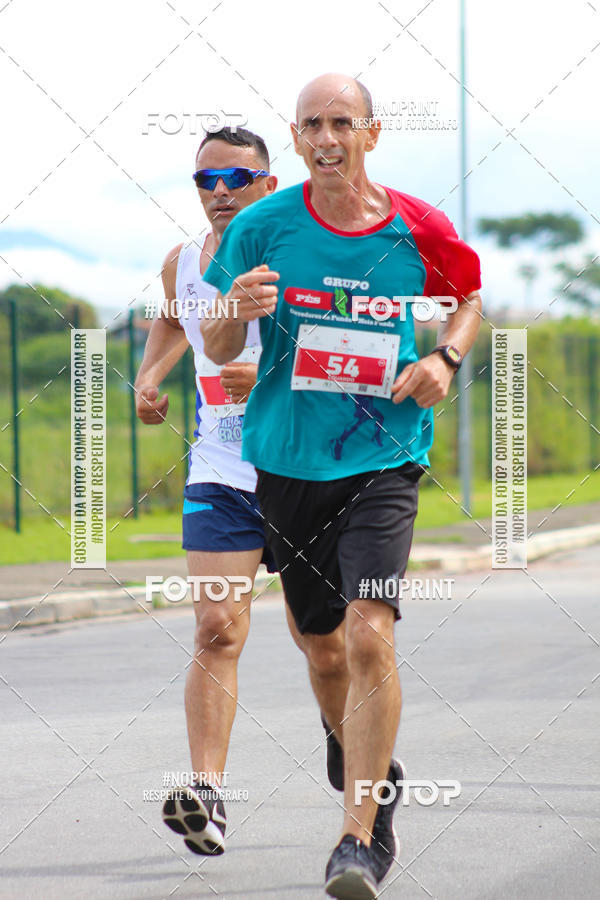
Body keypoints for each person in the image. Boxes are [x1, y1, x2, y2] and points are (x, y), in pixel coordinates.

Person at [201, 73, 482, 898]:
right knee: (323, 648)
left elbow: (465, 299)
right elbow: (219, 349)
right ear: (294, 139)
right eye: (311, 124)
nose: (327, 137)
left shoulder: (416, 225)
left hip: (385, 458)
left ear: (372, 132)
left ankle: (359, 838)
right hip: (288, 461)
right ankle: (361, 747)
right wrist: (233, 310)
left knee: (369, 633)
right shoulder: (262, 225)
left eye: (342, 122)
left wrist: (444, 357)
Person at [134, 126, 277, 856]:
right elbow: (171, 319)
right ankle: (208, 796)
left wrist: (275, 377)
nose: (220, 193)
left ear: (268, 184)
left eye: (236, 178)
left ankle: (360, 771)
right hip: (220, 473)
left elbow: (361, 348)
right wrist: (151, 373)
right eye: (205, 181)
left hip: (307, 470)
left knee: (335, 649)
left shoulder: (301, 254)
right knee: (217, 630)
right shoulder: (182, 263)